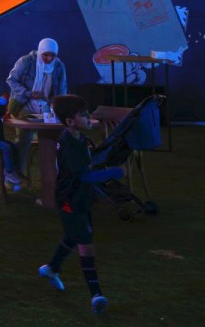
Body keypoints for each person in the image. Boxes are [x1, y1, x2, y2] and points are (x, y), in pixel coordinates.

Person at [38, 94, 123, 314]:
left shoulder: (79, 138)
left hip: (80, 197)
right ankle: (96, 295)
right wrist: (111, 173)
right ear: (69, 121)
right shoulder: (68, 144)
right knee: (85, 243)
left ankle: (51, 268)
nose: (88, 118)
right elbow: (84, 176)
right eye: (83, 115)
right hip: (70, 200)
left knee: (73, 236)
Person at [7, 38, 68, 174]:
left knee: (56, 134)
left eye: (52, 55)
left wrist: (58, 106)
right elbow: (11, 80)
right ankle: (17, 173)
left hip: (45, 105)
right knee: (25, 135)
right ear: (40, 52)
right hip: (24, 102)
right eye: (45, 55)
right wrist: (28, 93)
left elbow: (62, 89)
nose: (48, 58)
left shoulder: (58, 66)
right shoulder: (26, 61)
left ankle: (56, 173)